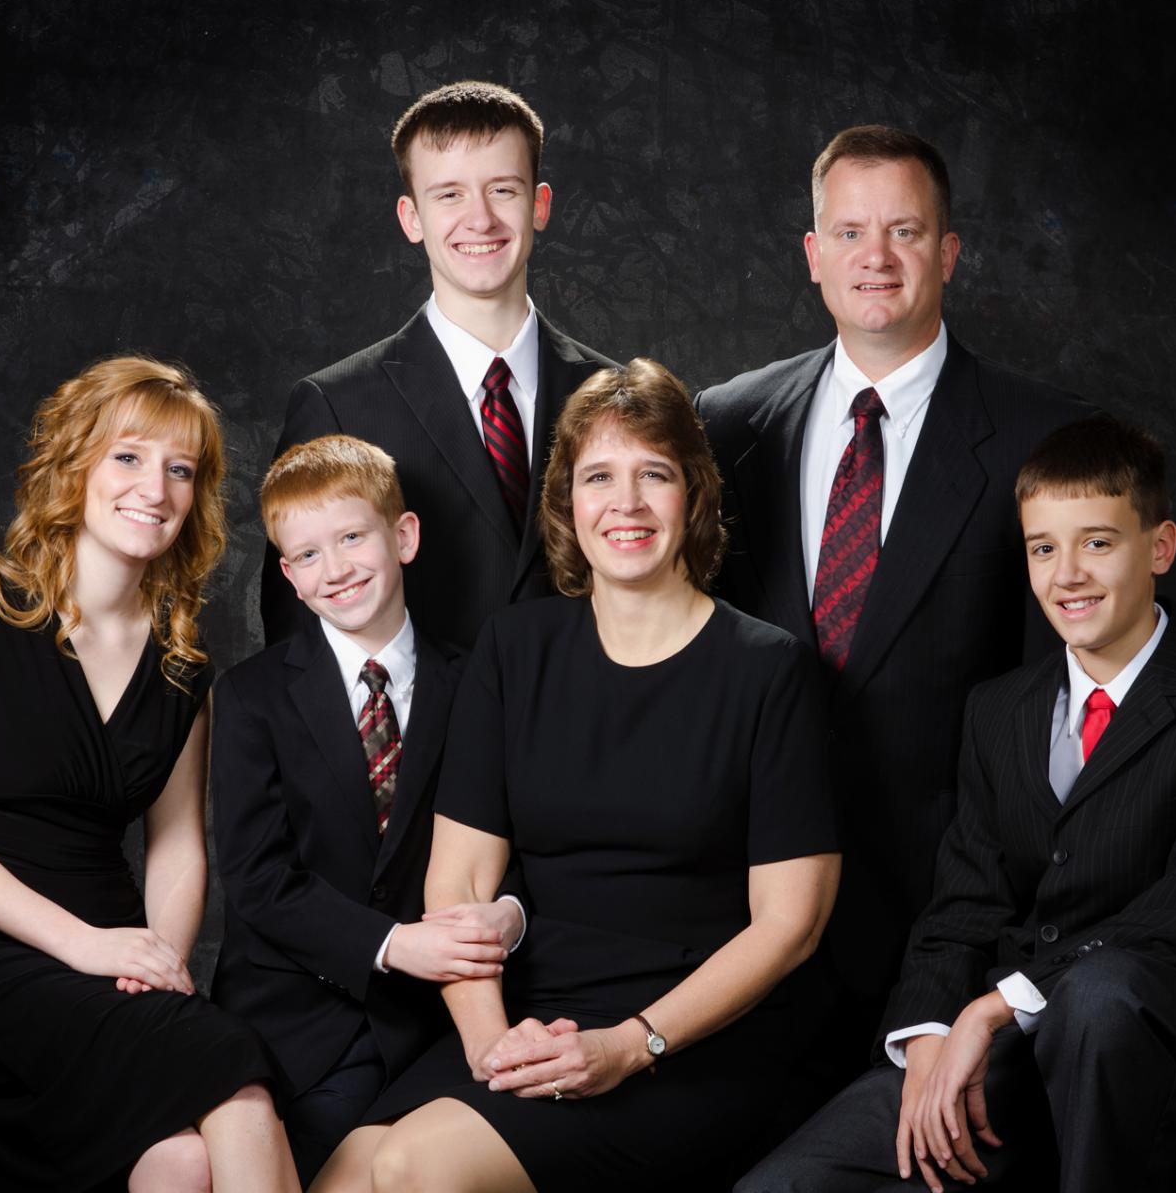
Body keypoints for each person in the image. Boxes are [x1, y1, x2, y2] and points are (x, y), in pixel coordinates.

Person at [309, 358, 842, 1192]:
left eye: (653, 475)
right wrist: (492, 1047)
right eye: (598, 476)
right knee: (348, 1173)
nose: (625, 504)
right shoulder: (514, 649)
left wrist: (629, 1044)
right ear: (564, 501)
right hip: (525, 1012)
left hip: (687, 1037)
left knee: (416, 1167)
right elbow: (458, 883)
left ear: (693, 496)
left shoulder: (769, 671)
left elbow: (790, 927)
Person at [738, 416, 1176, 1193]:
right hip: (1012, 1042)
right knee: (785, 1187)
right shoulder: (998, 710)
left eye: (1097, 542)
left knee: (1102, 999)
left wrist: (997, 1008)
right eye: (1044, 548)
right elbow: (964, 901)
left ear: (1160, 548)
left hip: (1157, 1038)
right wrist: (933, 1032)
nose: (1066, 573)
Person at [695, 124, 1091, 1079]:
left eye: (904, 232)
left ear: (948, 253)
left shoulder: (1043, 438)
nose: (874, 258)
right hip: (741, 903)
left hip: (944, 911)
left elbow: (1066, 697)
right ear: (812, 255)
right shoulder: (726, 421)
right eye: (848, 233)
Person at [0, 356, 297, 1191]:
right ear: (74, 468)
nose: (156, 486)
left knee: (182, 1163)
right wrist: (83, 946)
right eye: (129, 457)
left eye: (180, 470)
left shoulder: (183, 661)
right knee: (233, 1071)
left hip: (112, 953)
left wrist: (160, 965)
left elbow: (179, 845)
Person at [210, 435, 529, 1183]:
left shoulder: (479, 683)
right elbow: (258, 880)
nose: (338, 569)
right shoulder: (252, 697)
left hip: (431, 1022)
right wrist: (392, 943)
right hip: (286, 1019)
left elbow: (528, 841)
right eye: (309, 555)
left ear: (403, 536)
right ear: (288, 576)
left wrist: (507, 916)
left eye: (353, 537)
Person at [261, 79, 617, 652]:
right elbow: (296, 638)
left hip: (589, 731)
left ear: (541, 204)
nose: (480, 220)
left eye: (503, 189)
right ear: (411, 217)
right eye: (449, 195)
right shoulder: (337, 403)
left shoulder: (611, 392)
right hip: (422, 738)